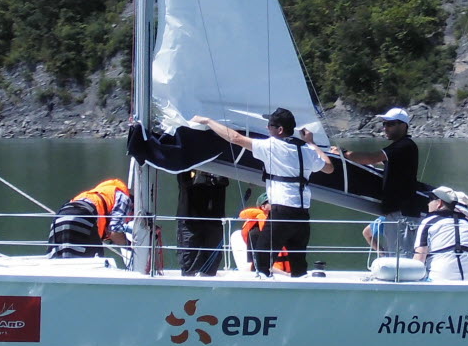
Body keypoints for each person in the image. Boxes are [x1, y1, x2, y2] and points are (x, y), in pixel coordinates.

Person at [193, 108, 334, 277]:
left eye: (270, 126)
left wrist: (208, 121)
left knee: (261, 254)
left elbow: (235, 138)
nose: (267, 128)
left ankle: (262, 286)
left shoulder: (271, 146)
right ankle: (299, 287)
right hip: (302, 214)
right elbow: (329, 168)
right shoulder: (306, 149)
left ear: (279, 130)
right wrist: (311, 143)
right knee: (298, 261)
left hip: (282, 211)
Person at [331, 106, 420, 253]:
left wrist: (344, 153)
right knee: (397, 254)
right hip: (397, 211)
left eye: (390, 124)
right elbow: (375, 161)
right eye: (384, 124)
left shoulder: (404, 146)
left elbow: (371, 157)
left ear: (403, 125)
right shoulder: (399, 149)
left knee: (401, 256)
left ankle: (400, 275)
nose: (385, 128)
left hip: (402, 212)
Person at [414, 185, 468, 280]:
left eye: (430, 200)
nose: (428, 204)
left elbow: (419, 259)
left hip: (440, 280)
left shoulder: (428, 222)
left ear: (439, 203)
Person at [48, 177, 133, 258]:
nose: (127, 221)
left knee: (59, 263)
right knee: (96, 263)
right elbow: (115, 232)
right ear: (132, 208)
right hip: (83, 216)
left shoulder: (99, 193)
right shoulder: (124, 199)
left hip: (60, 217)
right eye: (131, 218)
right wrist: (133, 248)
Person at [176, 170, 228, 276]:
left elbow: (224, 181)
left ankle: (209, 280)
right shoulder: (187, 162)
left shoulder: (219, 163)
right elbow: (184, 181)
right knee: (189, 257)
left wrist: (212, 178)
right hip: (190, 217)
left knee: (213, 257)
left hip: (214, 216)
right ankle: (189, 282)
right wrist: (202, 178)